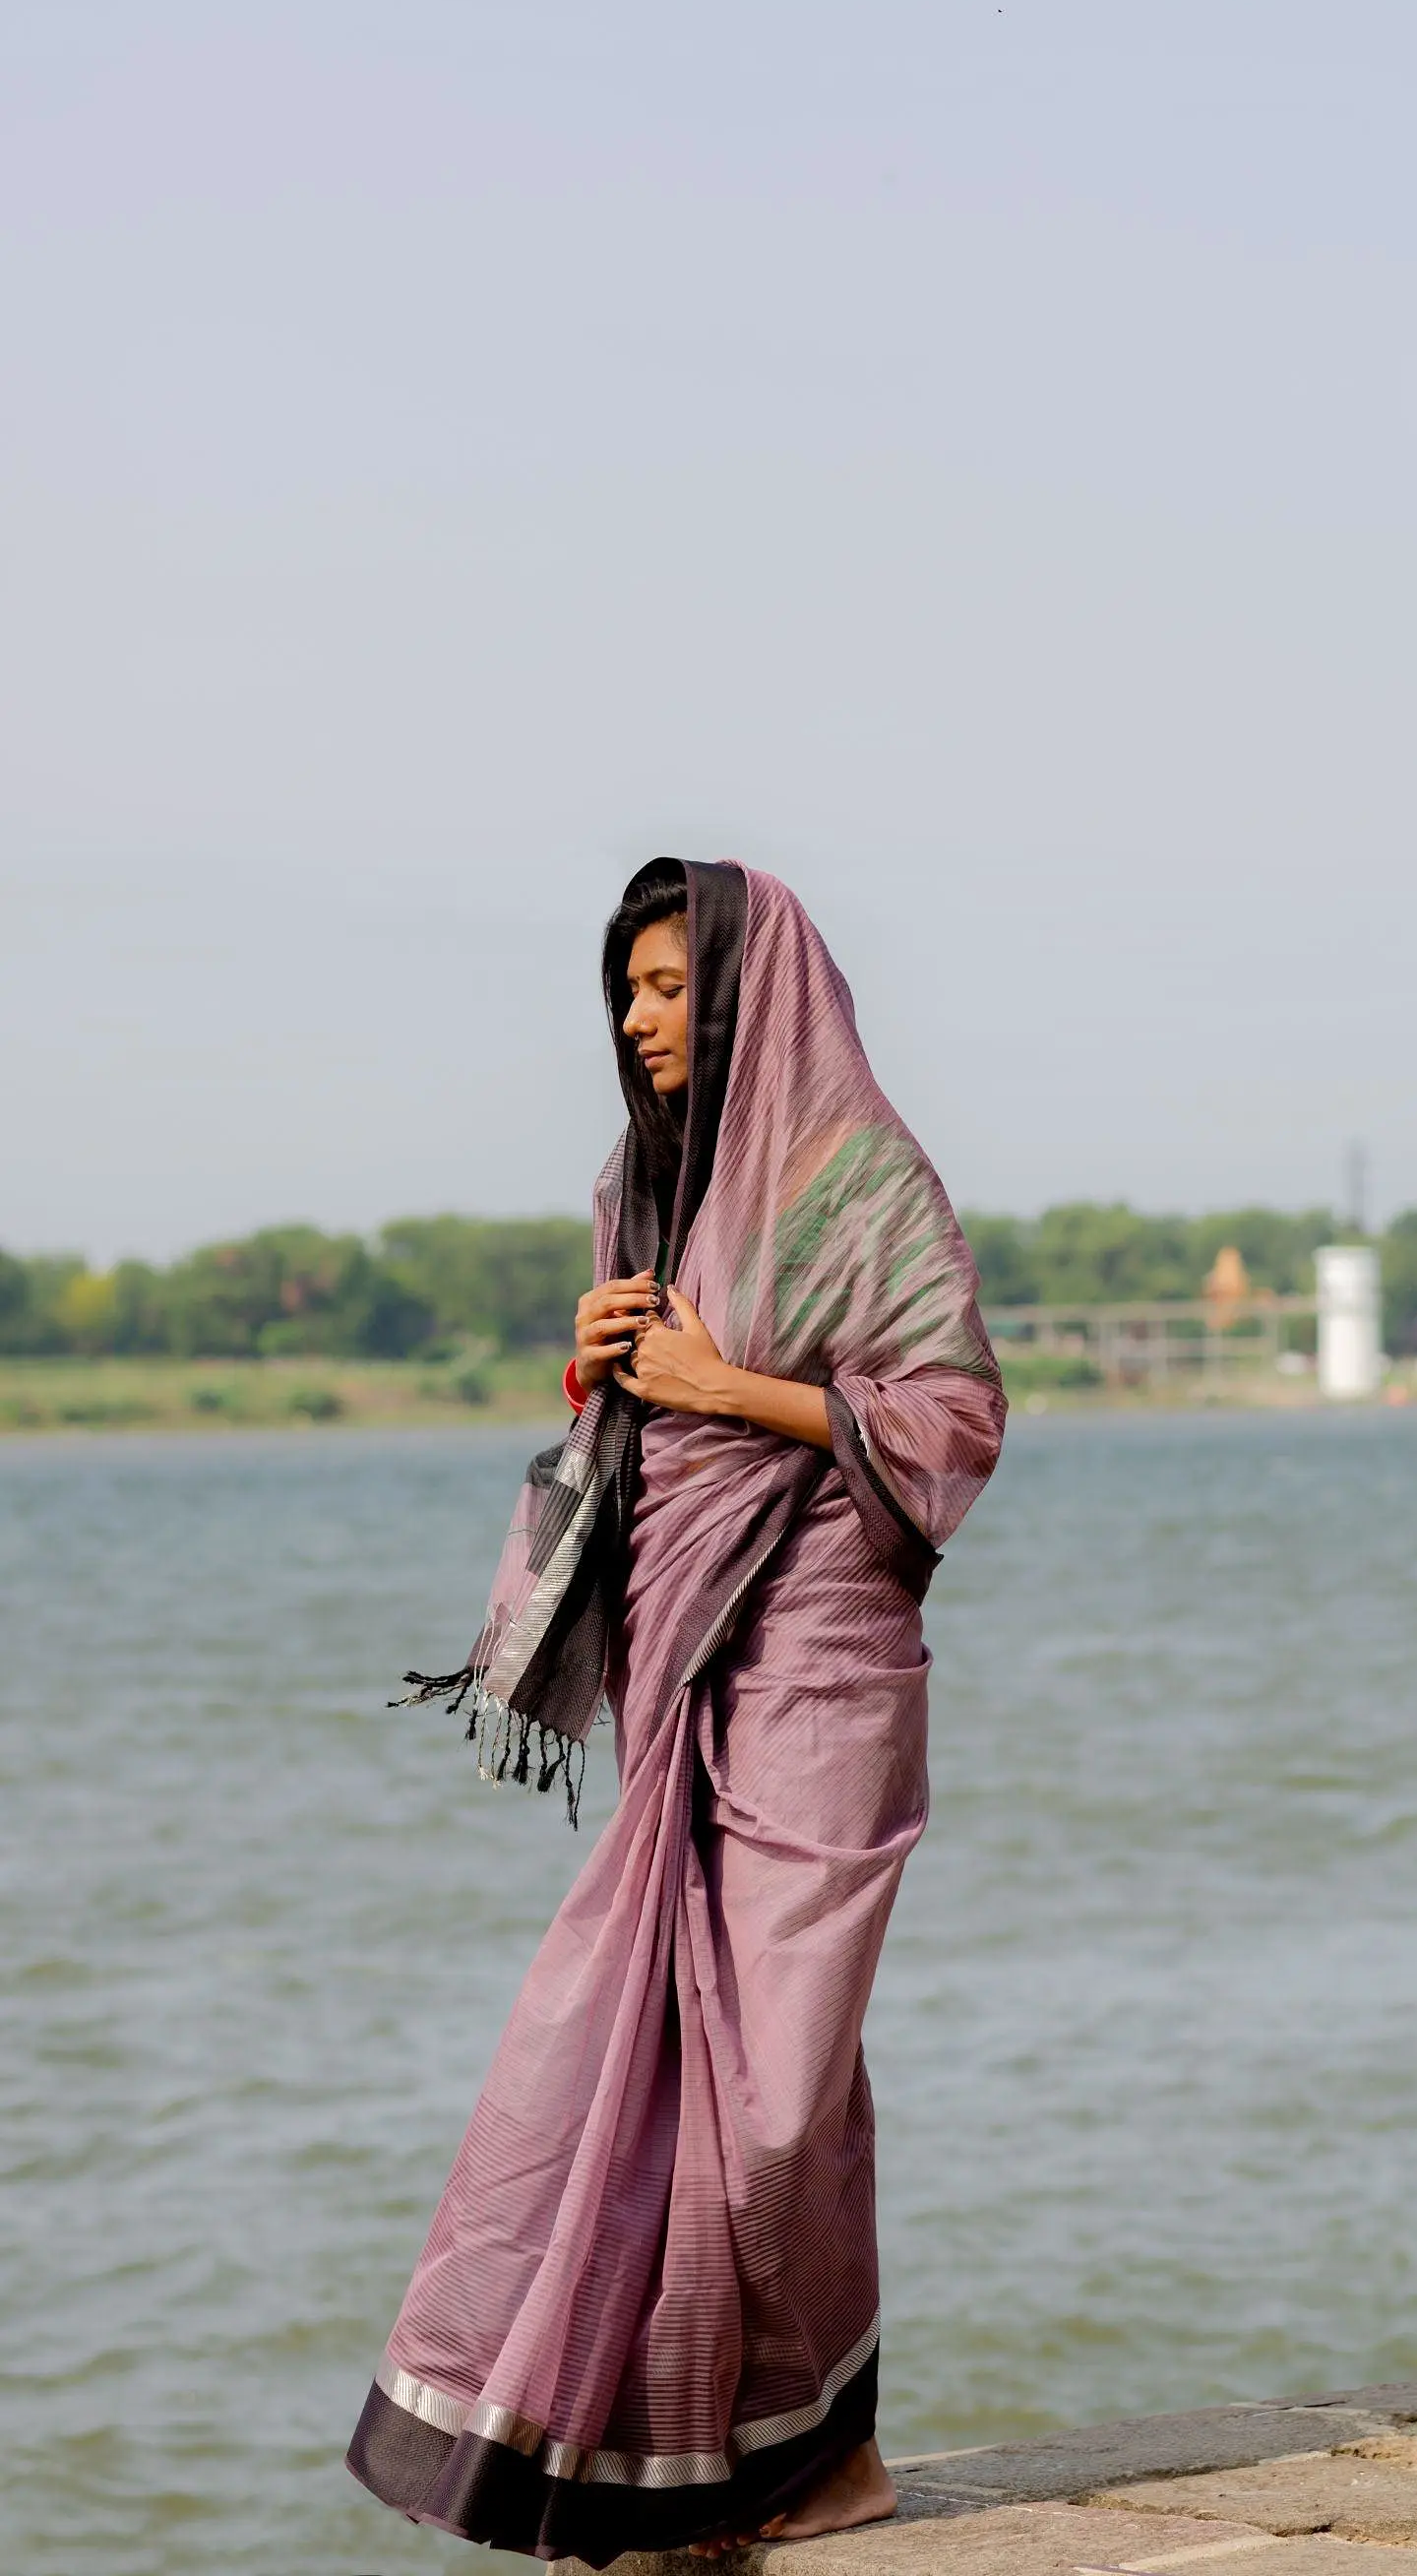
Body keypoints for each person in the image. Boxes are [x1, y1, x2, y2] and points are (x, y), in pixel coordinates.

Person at [346, 858, 1006, 2563]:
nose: (640, 1025)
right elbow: (643, 1431)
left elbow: (952, 1421)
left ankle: (750, 2454)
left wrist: (731, 1387)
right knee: (669, 2059)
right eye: (626, 994)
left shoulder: (865, 1182)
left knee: (773, 2092)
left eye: (669, 990)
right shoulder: (637, 1187)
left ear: (751, 991)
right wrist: (603, 1359)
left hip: (827, 1663)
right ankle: (761, 2468)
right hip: (674, 1655)